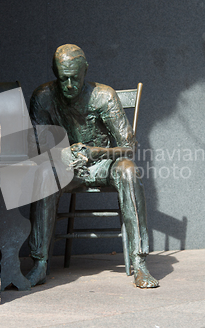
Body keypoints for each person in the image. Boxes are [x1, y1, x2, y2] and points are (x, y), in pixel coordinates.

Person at [26, 44, 159, 288]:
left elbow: (129, 147)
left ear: (85, 71)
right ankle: (40, 263)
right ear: (54, 72)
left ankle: (140, 263)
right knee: (45, 172)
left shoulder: (104, 96)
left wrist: (97, 152)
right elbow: (35, 148)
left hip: (102, 164)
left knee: (128, 170)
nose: (69, 85)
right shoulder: (43, 98)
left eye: (74, 78)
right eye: (63, 78)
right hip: (65, 167)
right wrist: (61, 154)